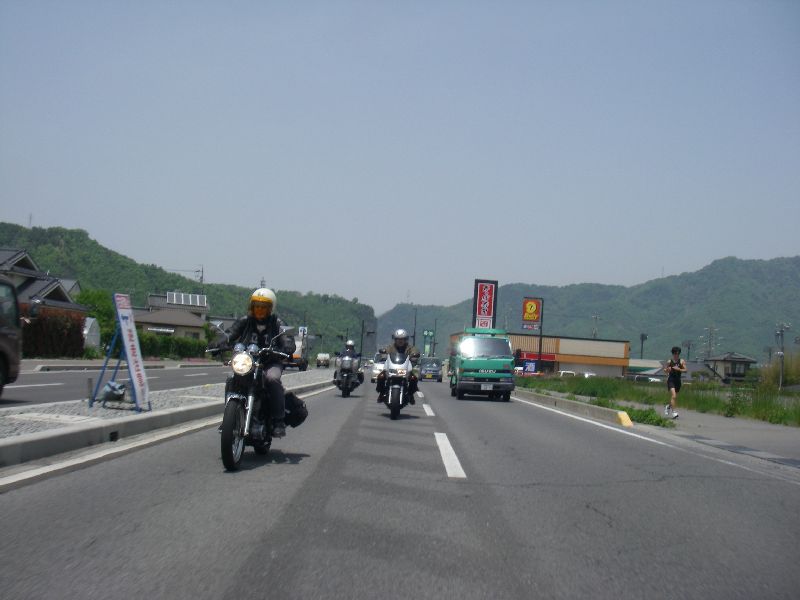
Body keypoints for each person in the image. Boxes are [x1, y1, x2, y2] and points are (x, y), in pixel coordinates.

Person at [223, 288, 296, 437]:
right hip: (248, 362)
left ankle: (278, 420)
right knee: (232, 378)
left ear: (271, 308)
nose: (259, 310)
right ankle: (228, 419)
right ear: (252, 307)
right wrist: (219, 342)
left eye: (263, 307)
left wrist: (287, 346)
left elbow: (287, 338)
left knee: (272, 378)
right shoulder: (245, 321)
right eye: (257, 306)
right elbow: (230, 334)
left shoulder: (277, 323)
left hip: (270, 362)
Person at [376, 328, 420, 404]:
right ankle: (381, 393)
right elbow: (386, 350)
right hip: (392, 367)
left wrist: (414, 354)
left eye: (402, 339)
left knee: (413, 378)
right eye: (398, 339)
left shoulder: (410, 348)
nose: (400, 341)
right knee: (381, 376)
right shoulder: (391, 347)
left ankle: (410, 394)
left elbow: (415, 351)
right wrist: (384, 352)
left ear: (405, 340)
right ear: (395, 339)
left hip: (405, 368)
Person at [663, 346, 686, 419]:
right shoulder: (669, 361)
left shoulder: (681, 361)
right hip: (671, 380)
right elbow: (665, 370)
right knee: (674, 396)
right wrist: (667, 370)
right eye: (675, 353)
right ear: (673, 353)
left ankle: (668, 406)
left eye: (678, 353)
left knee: (674, 397)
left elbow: (685, 370)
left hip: (678, 381)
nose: (677, 355)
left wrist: (679, 369)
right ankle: (674, 412)